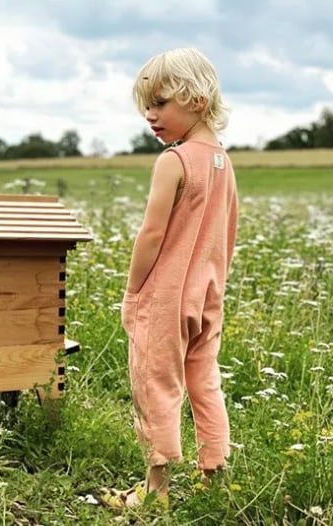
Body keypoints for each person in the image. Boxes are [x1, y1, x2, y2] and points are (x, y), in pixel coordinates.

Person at [101, 48, 238, 510]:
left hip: (164, 296)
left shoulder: (174, 161)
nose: (150, 114)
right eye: (147, 104)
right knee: (204, 379)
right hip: (207, 294)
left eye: (160, 103)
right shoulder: (222, 162)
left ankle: (155, 489)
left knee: (154, 383)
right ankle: (215, 476)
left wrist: (133, 291)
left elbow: (152, 233)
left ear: (196, 99)